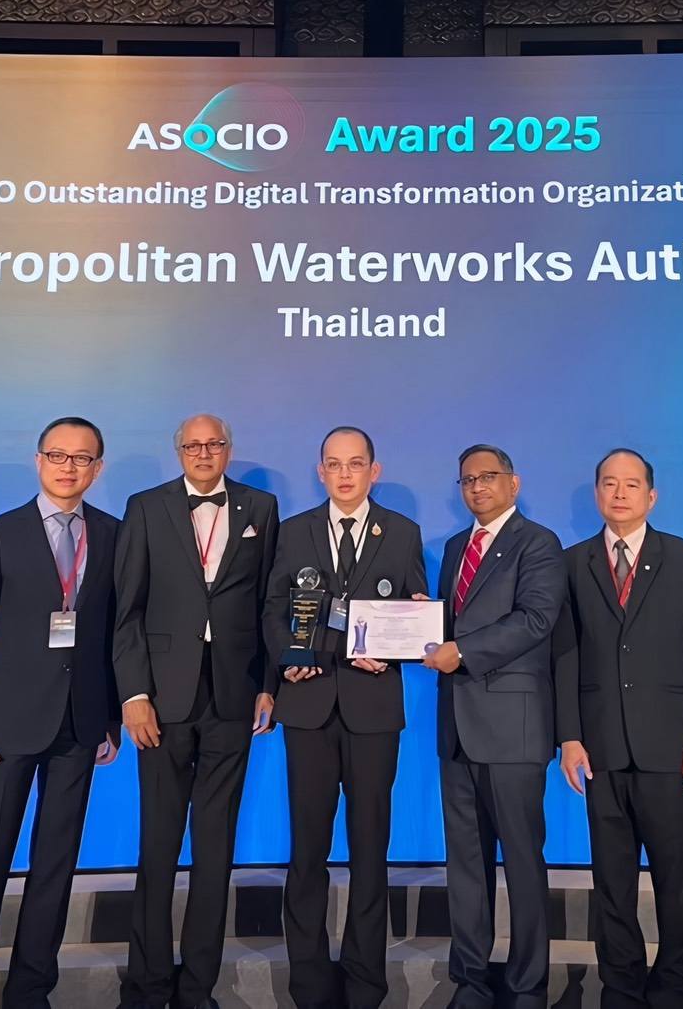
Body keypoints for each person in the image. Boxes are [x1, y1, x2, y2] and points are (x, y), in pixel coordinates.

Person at [0, 417, 122, 1009]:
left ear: (98, 468)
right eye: (57, 455)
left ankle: (30, 992)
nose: (69, 467)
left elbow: (116, 634)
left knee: (55, 869)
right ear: (38, 460)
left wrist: (111, 716)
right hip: (1, 730)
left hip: (79, 727)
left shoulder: (114, 535)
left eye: (82, 458)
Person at [114, 413, 279, 1009]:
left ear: (229, 449)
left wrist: (268, 684)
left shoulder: (261, 508)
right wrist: (134, 695)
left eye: (214, 444)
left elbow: (268, 603)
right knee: (158, 846)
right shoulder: (146, 507)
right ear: (179, 451)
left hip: (233, 698)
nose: (204, 453)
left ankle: (197, 987)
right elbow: (126, 610)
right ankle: (147, 983)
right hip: (162, 701)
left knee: (216, 850)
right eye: (193, 445)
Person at [262, 426, 427, 1009]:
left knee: (369, 851)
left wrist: (400, 644)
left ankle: (365, 984)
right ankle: (308, 984)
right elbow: (272, 609)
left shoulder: (402, 532)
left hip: (373, 709)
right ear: (320, 471)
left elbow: (414, 611)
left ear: (373, 471)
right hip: (307, 707)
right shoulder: (294, 530)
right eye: (334, 464)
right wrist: (287, 657)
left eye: (355, 464)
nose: (345, 474)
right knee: (307, 852)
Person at [554, 448, 683, 1008]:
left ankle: (677, 984)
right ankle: (621, 985)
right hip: (600, 747)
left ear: (652, 496)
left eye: (631, 484)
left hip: (671, 746)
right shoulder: (573, 562)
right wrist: (569, 736)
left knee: (680, 878)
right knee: (612, 880)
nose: (619, 493)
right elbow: (565, 656)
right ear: (597, 493)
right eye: (609, 483)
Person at [421, 444, 565, 1009]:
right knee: (465, 864)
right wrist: (421, 621)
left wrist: (460, 650)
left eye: (488, 477)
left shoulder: (539, 543)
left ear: (514, 482)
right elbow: (453, 623)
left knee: (523, 861)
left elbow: (535, 619)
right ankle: (471, 980)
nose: (477, 487)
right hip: (457, 727)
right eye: (467, 480)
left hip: (513, 728)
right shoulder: (457, 547)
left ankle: (528, 984)